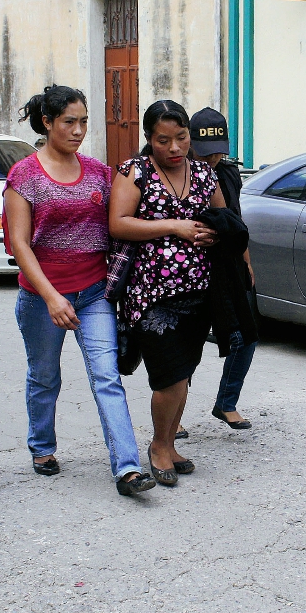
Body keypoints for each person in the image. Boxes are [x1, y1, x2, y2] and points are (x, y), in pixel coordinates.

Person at [3, 85, 155, 497]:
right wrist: (51, 296)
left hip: (93, 294)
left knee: (107, 377)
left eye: (84, 121)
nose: (78, 130)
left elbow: (125, 215)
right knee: (45, 375)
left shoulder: (99, 173)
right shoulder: (25, 175)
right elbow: (19, 244)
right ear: (47, 123)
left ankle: (127, 468)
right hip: (41, 296)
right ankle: (42, 446)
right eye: (69, 121)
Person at [108, 100, 226, 486]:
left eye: (181, 138)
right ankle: (159, 446)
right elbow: (119, 224)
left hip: (198, 293)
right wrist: (174, 226)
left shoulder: (206, 175)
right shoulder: (135, 172)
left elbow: (224, 219)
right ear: (148, 139)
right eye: (164, 140)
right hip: (151, 296)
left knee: (185, 373)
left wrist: (216, 233)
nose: (175, 148)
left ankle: (171, 445)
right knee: (168, 377)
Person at [185, 107, 257, 435]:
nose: (212, 158)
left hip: (227, 264)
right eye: (205, 152)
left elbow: (236, 220)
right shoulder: (174, 172)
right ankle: (173, 416)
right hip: (189, 267)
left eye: (218, 151)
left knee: (247, 336)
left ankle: (226, 402)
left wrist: (246, 260)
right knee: (188, 342)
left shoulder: (228, 174)